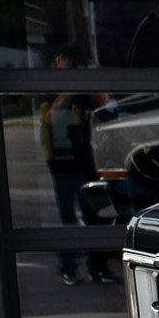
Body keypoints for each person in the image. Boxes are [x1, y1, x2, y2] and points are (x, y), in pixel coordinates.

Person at [39, 45, 113, 284]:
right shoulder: (51, 88)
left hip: (88, 160)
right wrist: (70, 89)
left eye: (72, 62)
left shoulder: (85, 88)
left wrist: (92, 81)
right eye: (66, 60)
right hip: (62, 162)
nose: (69, 65)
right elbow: (51, 117)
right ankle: (68, 267)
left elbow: (105, 106)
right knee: (68, 217)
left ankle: (98, 267)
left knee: (97, 213)